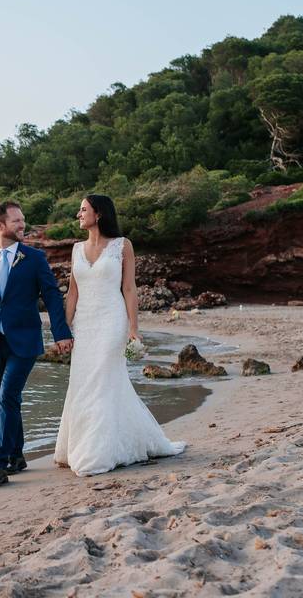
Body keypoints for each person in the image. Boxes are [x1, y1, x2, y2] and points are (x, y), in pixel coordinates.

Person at [54, 194, 186, 476]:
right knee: (82, 382)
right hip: (85, 325)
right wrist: (63, 329)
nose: (79, 214)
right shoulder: (76, 249)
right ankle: (77, 444)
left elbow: (129, 289)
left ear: (98, 214)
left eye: (83, 209)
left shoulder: (122, 246)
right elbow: (73, 293)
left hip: (112, 322)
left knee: (103, 382)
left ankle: (97, 451)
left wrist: (133, 328)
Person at [0, 201, 73, 485]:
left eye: (23, 220)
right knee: (8, 400)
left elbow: (51, 296)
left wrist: (61, 333)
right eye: (16, 221)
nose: (22, 225)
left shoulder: (34, 257)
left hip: (25, 340)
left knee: (8, 397)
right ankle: (17, 455)